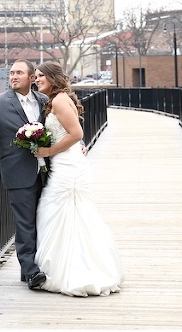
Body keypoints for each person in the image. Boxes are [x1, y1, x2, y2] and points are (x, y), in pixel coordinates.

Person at [32, 61, 124, 296]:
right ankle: (68, 266)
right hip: (66, 163)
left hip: (68, 167)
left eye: (41, 75)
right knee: (62, 214)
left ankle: (74, 272)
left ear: (53, 77)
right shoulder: (57, 99)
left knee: (64, 213)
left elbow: (77, 134)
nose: (37, 79)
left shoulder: (60, 100)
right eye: (36, 76)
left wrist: (48, 151)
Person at [0, 59, 49, 289]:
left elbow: (60, 128)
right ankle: (31, 272)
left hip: (47, 172)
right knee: (24, 223)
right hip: (17, 173)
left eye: (19, 72)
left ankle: (33, 269)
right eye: (11, 73)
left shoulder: (44, 101)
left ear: (31, 78)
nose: (13, 76)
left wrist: (80, 145)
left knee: (45, 221)